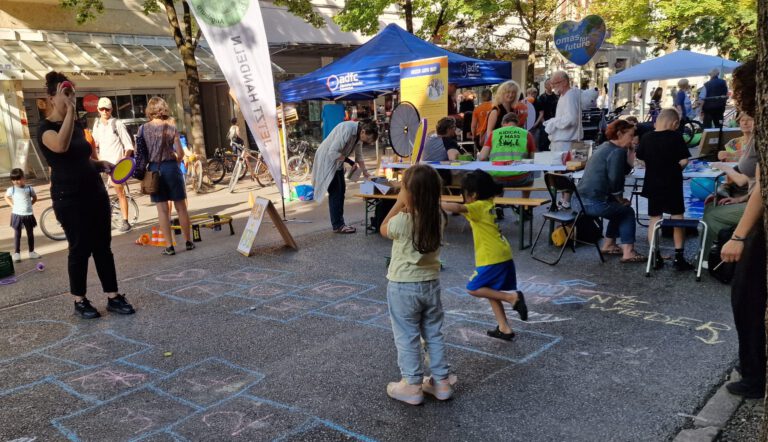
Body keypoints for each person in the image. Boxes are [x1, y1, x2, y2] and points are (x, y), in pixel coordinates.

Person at [38, 71, 134, 319]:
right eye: (63, 92)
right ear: (50, 96)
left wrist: (100, 163)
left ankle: (113, 296)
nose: (69, 97)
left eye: (70, 91)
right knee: (79, 248)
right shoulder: (45, 128)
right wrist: (70, 110)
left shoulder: (78, 126)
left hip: (94, 192)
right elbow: (60, 146)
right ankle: (79, 300)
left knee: (103, 247)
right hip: (68, 197)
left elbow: (82, 158)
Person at [380, 164, 452, 405]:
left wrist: (398, 203)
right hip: (430, 285)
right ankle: (441, 382)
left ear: (409, 194)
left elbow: (383, 228)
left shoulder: (402, 220)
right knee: (433, 332)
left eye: (403, 188)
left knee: (407, 335)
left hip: (403, 286)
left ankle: (412, 385)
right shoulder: (439, 217)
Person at [717, 58, 765, 399]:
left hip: (759, 224)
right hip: (752, 213)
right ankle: (751, 367)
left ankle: (754, 376)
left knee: (746, 296)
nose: (735, 98)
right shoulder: (757, 126)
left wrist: (739, 235)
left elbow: (761, 186)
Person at [442, 170, 528, 340]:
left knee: (473, 288)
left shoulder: (478, 206)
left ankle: (512, 297)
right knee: (490, 290)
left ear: (472, 195)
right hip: (501, 253)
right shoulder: (488, 203)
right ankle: (504, 328)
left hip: (492, 257)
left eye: (465, 193)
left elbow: (457, 208)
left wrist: (434, 200)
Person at [576, 120, 645, 263]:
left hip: (579, 201)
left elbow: (624, 169)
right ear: (620, 134)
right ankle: (628, 251)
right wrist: (620, 199)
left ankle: (609, 244)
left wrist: (631, 151)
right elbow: (615, 181)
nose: (633, 139)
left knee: (618, 208)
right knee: (627, 211)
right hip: (592, 203)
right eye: (631, 136)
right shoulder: (617, 152)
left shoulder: (605, 147)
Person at [636, 109, 694, 271]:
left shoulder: (646, 137)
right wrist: (677, 167)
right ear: (675, 124)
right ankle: (679, 257)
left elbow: (640, 158)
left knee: (654, 219)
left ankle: (655, 256)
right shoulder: (676, 137)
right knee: (677, 218)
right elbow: (684, 160)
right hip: (672, 184)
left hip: (652, 184)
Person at [142, 96, 194, 256]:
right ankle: (188, 241)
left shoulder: (143, 129)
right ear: (163, 108)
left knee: (162, 210)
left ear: (150, 110)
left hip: (154, 170)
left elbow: (140, 154)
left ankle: (170, 246)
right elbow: (180, 153)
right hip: (171, 168)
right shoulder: (171, 127)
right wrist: (175, 158)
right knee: (181, 208)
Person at [701, 114, 757, 258]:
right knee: (711, 205)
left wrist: (725, 166)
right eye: (742, 120)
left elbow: (746, 182)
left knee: (712, 215)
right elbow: (756, 185)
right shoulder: (737, 142)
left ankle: (710, 257)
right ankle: (709, 254)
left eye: (749, 119)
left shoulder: (756, 144)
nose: (745, 123)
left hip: (750, 197)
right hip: (744, 194)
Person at [311, 120, 377, 233]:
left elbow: (359, 156)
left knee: (341, 192)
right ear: (363, 132)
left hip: (337, 162)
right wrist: (350, 162)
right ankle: (338, 225)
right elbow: (332, 152)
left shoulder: (359, 134)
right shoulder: (348, 129)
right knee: (336, 193)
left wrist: (365, 172)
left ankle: (340, 224)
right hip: (328, 160)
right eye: (368, 139)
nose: (367, 142)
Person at [92, 97, 135, 232]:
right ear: (98, 110)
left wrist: (123, 163)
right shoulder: (97, 124)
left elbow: (129, 146)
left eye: (107, 109)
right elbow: (95, 144)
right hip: (101, 165)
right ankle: (103, 220)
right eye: (102, 109)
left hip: (116, 165)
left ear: (111, 109)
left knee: (119, 192)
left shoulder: (117, 124)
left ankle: (125, 221)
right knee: (99, 194)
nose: (105, 111)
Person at [544, 71, 583, 208]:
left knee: (566, 171)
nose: (553, 86)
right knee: (561, 171)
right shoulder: (564, 96)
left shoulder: (570, 95)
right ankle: (563, 199)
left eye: (555, 83)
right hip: (562, 139)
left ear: (564, 82)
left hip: (567, 140)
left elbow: (571, 119)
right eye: (552, 83)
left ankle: (565, 200)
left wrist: (554, 123)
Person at [478, 112, 537, 195]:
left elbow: (482, 157)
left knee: (491, 177)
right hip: (520, 178)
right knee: (531, 172)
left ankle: (498, 202)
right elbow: (533, 158)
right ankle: (525, 205)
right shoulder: (526, 134)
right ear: (517, 123)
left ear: (503, 123)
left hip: (497, 178)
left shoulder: (494, 133)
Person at [4, 168, 40, 263]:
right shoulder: (11, 189)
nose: (16, 181)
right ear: (12, 180)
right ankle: (17, 253)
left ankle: (31, 252)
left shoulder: (29, 188)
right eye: (14, 180)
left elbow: (35, 198)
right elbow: (6, 197)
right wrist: (12, 205)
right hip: (17, 215)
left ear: (24, 178)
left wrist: (29, 205)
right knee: (17, 234)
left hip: (28, 214)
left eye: (19, 179)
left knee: (30, 233)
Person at [422, 117, 461, 184]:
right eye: (454, 127)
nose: (455, 129)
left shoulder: (429, 138)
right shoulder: (448, 141)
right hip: (440, 176)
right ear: (448, 129)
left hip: (425, 174)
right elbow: (453, 159)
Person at [537, 79, 559, 151]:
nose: (551, 86)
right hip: (545, 123)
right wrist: (544, 123)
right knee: (544, 143)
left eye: (551, 84)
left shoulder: (556, 97)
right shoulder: (541, 98)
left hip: (555, 123)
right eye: (549, 84)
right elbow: (541, 112)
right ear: (545, 86)